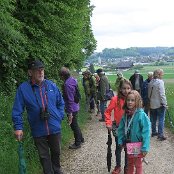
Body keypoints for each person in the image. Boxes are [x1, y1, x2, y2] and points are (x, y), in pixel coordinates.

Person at [12, 60, 65, 174]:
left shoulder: (51, 85)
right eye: (37, 70)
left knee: (56, 151)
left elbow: (61, 103)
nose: (41, 72)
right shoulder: (23, 88)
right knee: (44, 156)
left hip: (54, 126)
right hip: (38, 128)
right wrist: (18, 127)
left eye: (42, 70)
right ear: (30, 72)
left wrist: (59, 116)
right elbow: (17, 109)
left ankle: (57, 169)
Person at [118, 90, 151, 174]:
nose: (129, 102)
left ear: (137, 101)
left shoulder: (141, 115)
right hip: (129, 144)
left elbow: (146, 132)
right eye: (128, 100)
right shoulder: (126, 114)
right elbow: (121, 129)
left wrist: (145, 147)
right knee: (130, 163)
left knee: (138, 164)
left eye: (132, 100)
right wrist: (120, 140)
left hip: (137, 144)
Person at [105, 79, 132, 174]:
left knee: (128, 148)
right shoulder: (115, 99)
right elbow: (107, 112)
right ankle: (118, 166)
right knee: (119, 147)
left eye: (128, 88)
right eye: (124, 88)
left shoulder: (132, 99)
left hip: (130, 128)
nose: (126, 90)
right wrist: (108, 122)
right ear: (120, 89)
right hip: (118, 128)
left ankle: (127, 167)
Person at [59, 67, 84, 149]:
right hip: (76, 105)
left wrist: (69, 112)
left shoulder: (67, 84)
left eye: (60, 76)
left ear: (62, 76)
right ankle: (81, 139)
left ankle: (77, 143)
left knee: (74, 125)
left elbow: (70, 99)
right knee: (75, 124)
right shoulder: (73, 80)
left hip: (72, 107)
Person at [148, 69, 167, 140]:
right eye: (162, 74)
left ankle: (153, 132)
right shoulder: (160, 82)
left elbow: (149, 94)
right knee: (161, 119)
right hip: (160, 104)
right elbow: (162, 94)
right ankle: (160, 135)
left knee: (153, 119)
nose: (162, 75)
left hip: (152, 103)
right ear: (159, 74)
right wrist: (165, 103)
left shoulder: (150, 82)